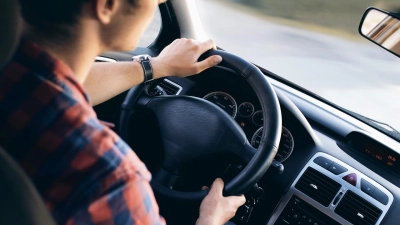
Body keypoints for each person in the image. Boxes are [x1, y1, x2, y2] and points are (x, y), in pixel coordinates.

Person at [0, 0, 246, 224]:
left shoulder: (13, 76)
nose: (160, 1)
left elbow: (61, 82)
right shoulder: (108, 178)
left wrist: (157, 66)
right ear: (107, 5)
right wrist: (210, 218)